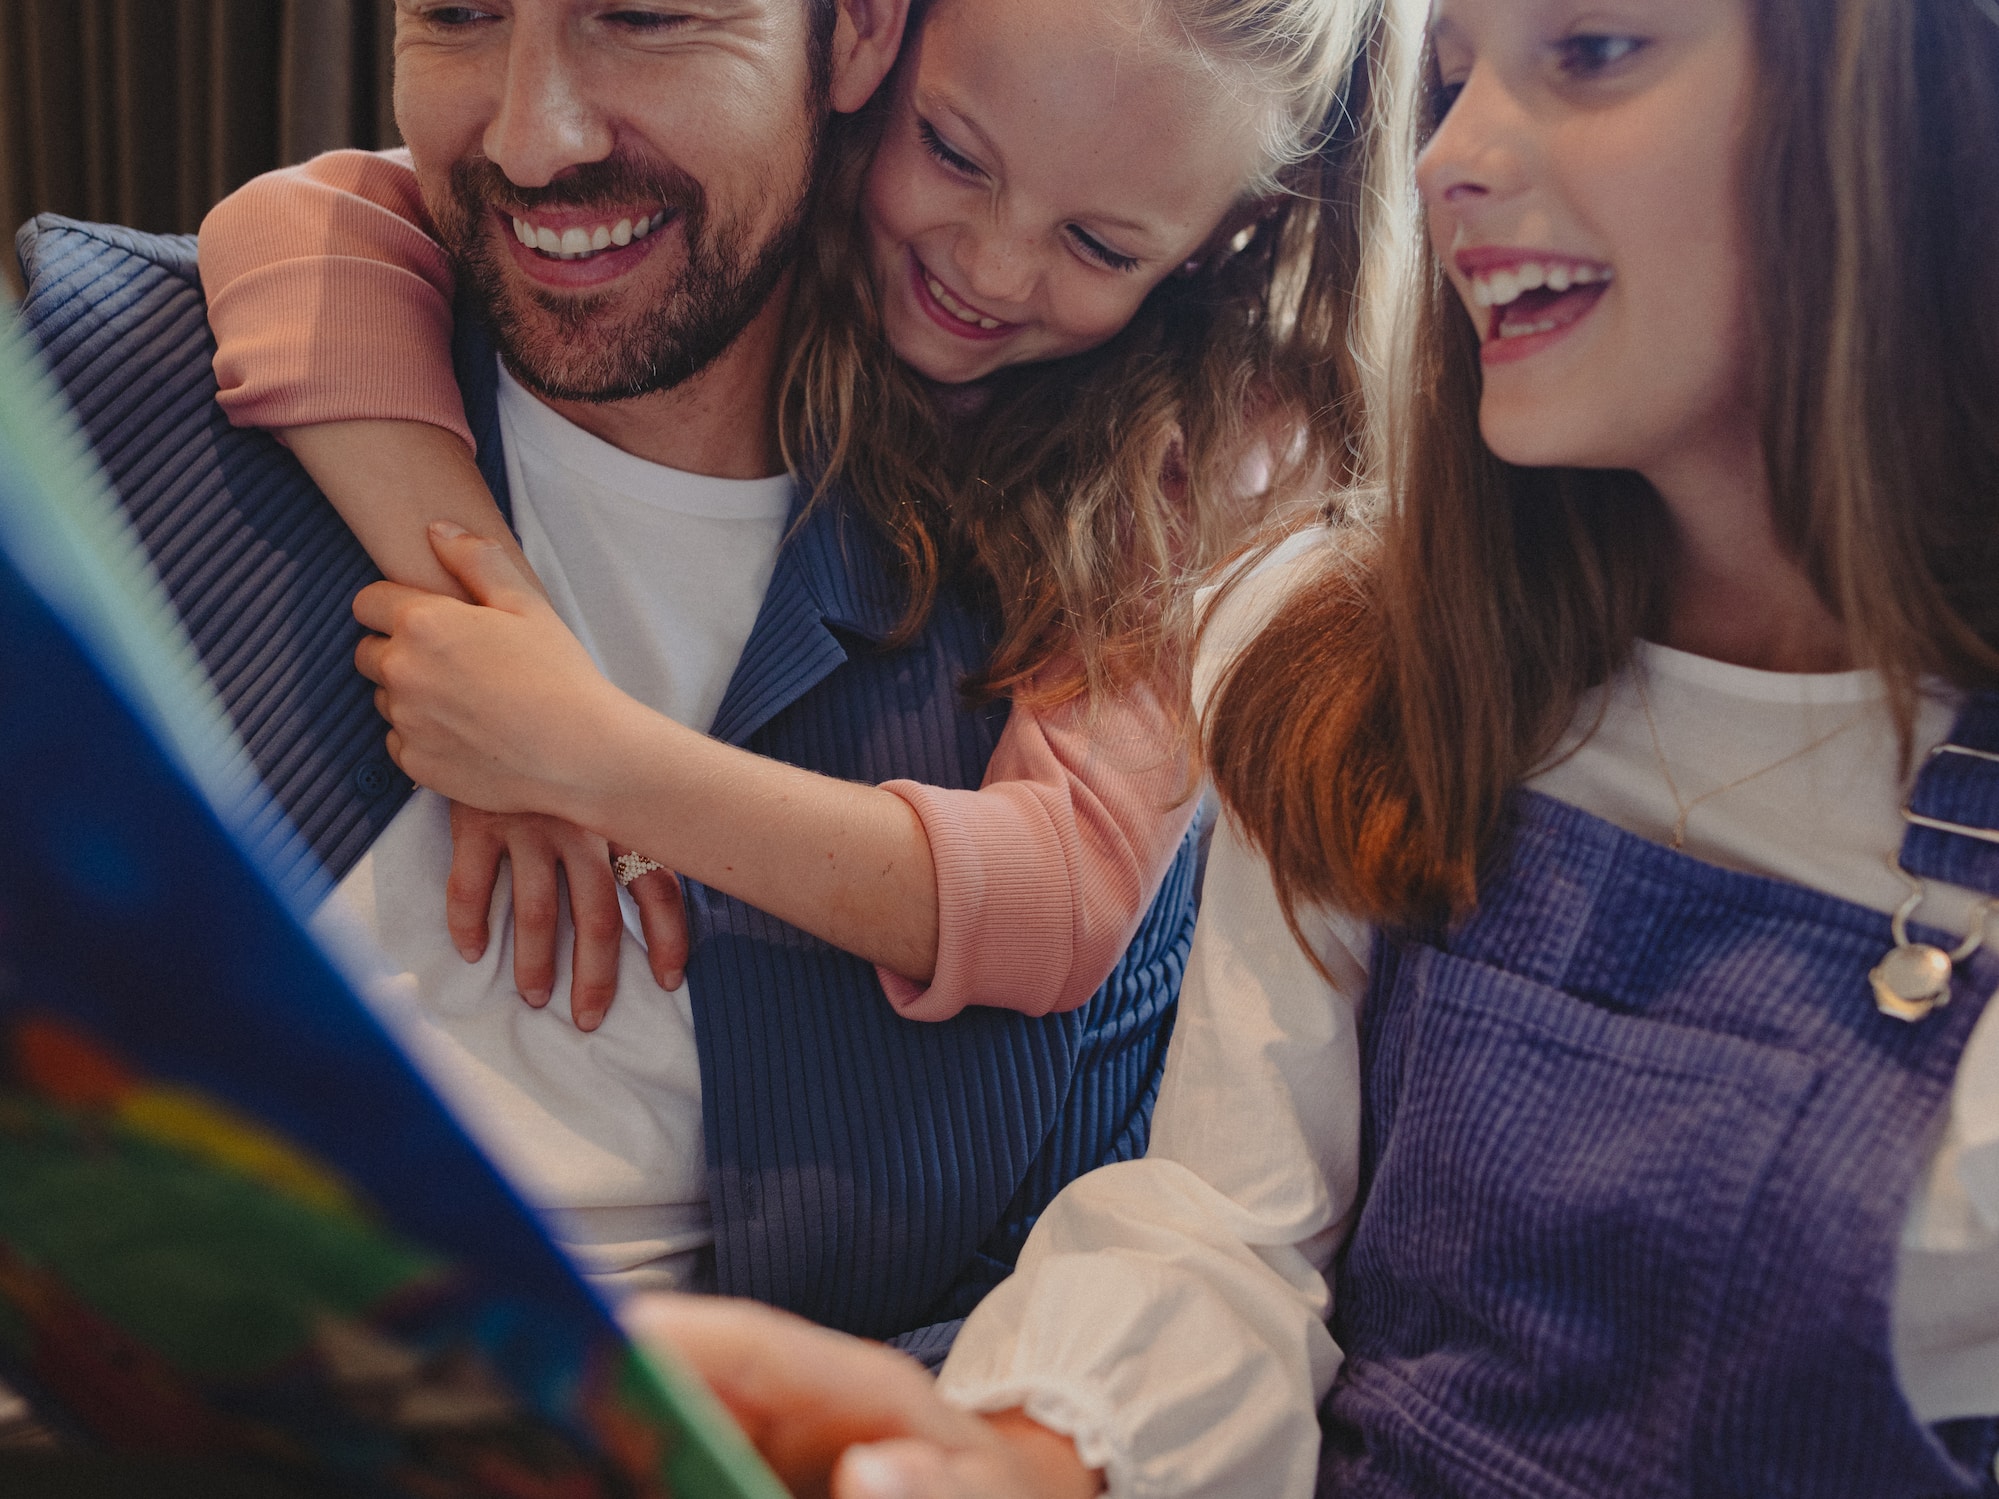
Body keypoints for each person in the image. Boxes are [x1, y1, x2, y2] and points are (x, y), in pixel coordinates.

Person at [611, 0, 1999, 1492]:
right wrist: (1010, 1451)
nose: (1450, 158)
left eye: (1590, 54)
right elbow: (1229, 1234)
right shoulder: (1340, 661)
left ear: (1906, 110)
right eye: (1450, 81)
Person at [195, 0, 1375, 1034]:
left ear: (1224, 237)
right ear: (874, 42)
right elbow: (285, 227)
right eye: (952, 154)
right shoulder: (743, 204)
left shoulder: (1208, 444)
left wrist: (585, 755)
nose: (994, 269)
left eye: (1100, 245)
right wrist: (501, 623)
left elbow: (1064, 899)